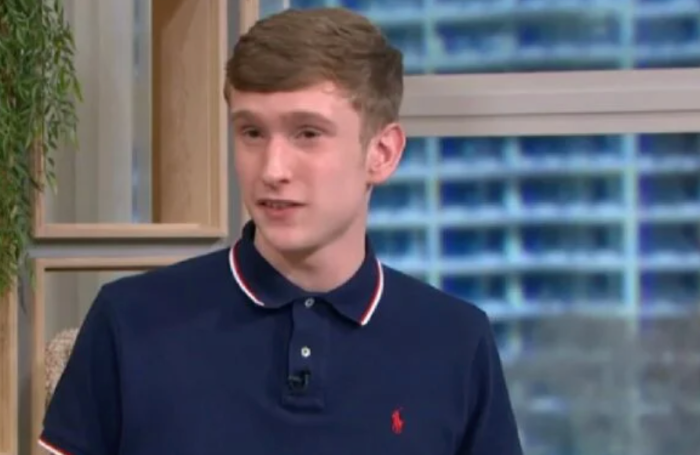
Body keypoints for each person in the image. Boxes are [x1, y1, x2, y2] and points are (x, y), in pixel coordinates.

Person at [39, 7, 523, 455]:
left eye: (307, 134)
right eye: (251, 132)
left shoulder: (457, 342)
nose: (272, 169)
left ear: (382, 153)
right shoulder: (129, 320)